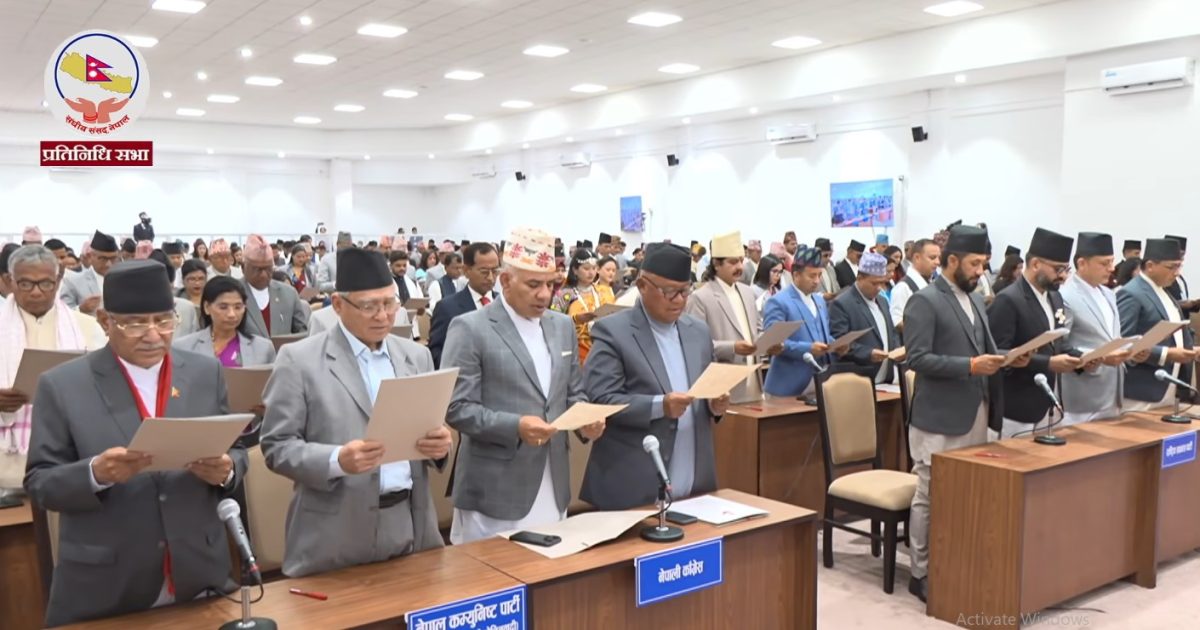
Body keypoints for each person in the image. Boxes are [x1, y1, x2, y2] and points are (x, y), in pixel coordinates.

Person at [24, 259, 246, 626]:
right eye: (135, 323)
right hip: (108, 582)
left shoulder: (205, 372)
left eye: (164, 320)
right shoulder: (63, 385)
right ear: (105, 321)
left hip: (199, 572)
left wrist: (227, 470)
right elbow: (40, 483)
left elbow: (234, 449)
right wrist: (95, 473)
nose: (153, 335)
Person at [260, 248, 452, 576]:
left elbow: (429, 428)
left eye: (390, 303)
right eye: (369, 306)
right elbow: (277, 447)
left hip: (409, 522)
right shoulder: (300, 360)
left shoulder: (414, 356)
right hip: (335, 530)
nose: (382, 316)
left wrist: (439, 446)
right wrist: (337, 461)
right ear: (338, 305)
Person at [442, 227, 602, 544]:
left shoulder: (562, 326)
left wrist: (586, 422)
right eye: (533, 285)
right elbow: (457, 408)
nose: (544, 294)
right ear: (505, 281)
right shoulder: (471, 328)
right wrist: (516, 426)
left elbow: (573, 393)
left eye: (550, 285)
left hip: (553, 482)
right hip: (495, 489)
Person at [903, 225, 1025, 604]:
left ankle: (952, 560)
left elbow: (982, 348)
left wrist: (1009, 358)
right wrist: (970, 366)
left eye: (984, 264)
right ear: (952, 260)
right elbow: (917, 358)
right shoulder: (925, 300)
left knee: (963, 492)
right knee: (930, 493)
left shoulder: (975, 299)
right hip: (939, 416)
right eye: (974, 264)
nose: (980, 271)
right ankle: (920, 572)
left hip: (976, 411)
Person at [582, 242, 727, 509]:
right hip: (633, 485)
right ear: (642, 285)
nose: (679, 300)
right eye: (669, 292)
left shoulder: (698, 331)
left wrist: (715, 405)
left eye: (685, 291)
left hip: (694, 483)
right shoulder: (613, 332)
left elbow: (707, 390)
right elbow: (600, 400)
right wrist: (660, 406)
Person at [0, 246, 107, 493]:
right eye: (26, 283)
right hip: (6, 464)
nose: (36, 291)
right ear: (9, 281)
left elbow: (109, 384)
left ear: (59, 280)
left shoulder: (85, 327)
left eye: (46, 283)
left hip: (68, 458)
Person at [988, 228, 1082, 438]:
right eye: (1058, 269)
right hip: (1017, 406)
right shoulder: (1009, 299)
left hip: (1048, 401)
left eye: (1066, 269)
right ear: (1036, 264)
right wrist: (1047, 363)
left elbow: (1057, 343)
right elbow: (997, 353)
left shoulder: (1054, 297)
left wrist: (1083, 359)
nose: (1063, 276)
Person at [1059, 233, 1143, 426]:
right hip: (1083, 394)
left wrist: (1133, 350)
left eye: (1112, 262)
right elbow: (1060, 345)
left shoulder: (1109, 293)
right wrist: (1100, 357)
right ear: (1082, 263)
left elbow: (1113, 337)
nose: (1111, 268)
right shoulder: (1065, 296)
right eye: (1104, 263)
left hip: (1113, 390)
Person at [686, 230, 774, 402]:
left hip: (755, 384)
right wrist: (732, 347)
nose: (740, 267)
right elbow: (695, 346)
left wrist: (770, 343)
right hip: (723, 390)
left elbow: (756, 332)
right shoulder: (701, 298)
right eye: (733, 262)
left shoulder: (747, 292)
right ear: (716, 264)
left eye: (741, 260)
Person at [1118, 238, 1196, 411]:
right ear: (1150, 265)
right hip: (1141, 390)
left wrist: (1191, 350)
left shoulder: (1164, 292)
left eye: (1179, 266)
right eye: (1172, 267)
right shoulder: (1131, 293)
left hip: (1168, 386)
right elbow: (1123, 342)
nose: (1177, 273)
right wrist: (1166, 354)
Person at [762, 246, 833, 397]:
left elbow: (822, 335)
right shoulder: (779, 302)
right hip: (787, 387)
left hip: (820, 383)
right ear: (796, 275)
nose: (817, 281)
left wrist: (837, 345)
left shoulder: (819, 301)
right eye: (812, 276)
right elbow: (773, 343)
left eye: (819, 275)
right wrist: (808, 348)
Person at [829, 252, 900, 384]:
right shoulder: (842, 303)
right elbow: (840, 342)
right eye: (874, 283)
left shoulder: (882, 301)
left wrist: (896, 350)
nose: (879, 288)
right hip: (860, 379)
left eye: (882, 283)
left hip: (886, 379)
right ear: (860, 278)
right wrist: (869, 353)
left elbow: (892, 331)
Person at [427, 243, 500, 368]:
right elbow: (436, 351)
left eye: (495, 271)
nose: (490, 278)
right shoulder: (447, 308)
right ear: (466, 271)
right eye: (484, 272)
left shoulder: (504, 304)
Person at [240, 235, 310, 337]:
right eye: (257, 269)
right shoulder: (232, 294)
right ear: (243, 268)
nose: (263, 274)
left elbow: (301, 333)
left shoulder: (289, 294)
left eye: (268, 269)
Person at [565, 248, 616, 364]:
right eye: (586, 268)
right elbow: (553, 322)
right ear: (575, 270)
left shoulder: (604, 291)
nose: (591, 273)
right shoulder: (565, 294)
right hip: (576, 351)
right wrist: (576, 319)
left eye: (594, 268)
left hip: (603, 347)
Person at [890, 239, 941, 335]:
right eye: (932, 258)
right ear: (917, 258)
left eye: (939, 258)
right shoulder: (903, 287)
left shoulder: (931, 283)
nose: (937, 262)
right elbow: (897, 321)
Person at [62, 230, 120, 314]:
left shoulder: (124, 281)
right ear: (91, 256)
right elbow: (62, 313)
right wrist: (81, 309)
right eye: (103, 259)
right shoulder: (73, 281)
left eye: (113, 258)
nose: (108, 264)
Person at [389, 250, 425, 340]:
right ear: (391, 265)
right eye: (398, 265)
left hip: (412, 328)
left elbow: (420, 301)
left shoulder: (412, 282)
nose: (402, 268)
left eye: (404, 265)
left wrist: (421, 309)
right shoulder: (385, 284)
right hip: (394, 327)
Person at [1163, 235, 1198, 316]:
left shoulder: (1180, 278)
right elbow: (1160, 303)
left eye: (1183, 254)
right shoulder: (1162, 278)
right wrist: (1181, 304)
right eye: (1180, 254)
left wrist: (1193, 304)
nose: (1182, 258)